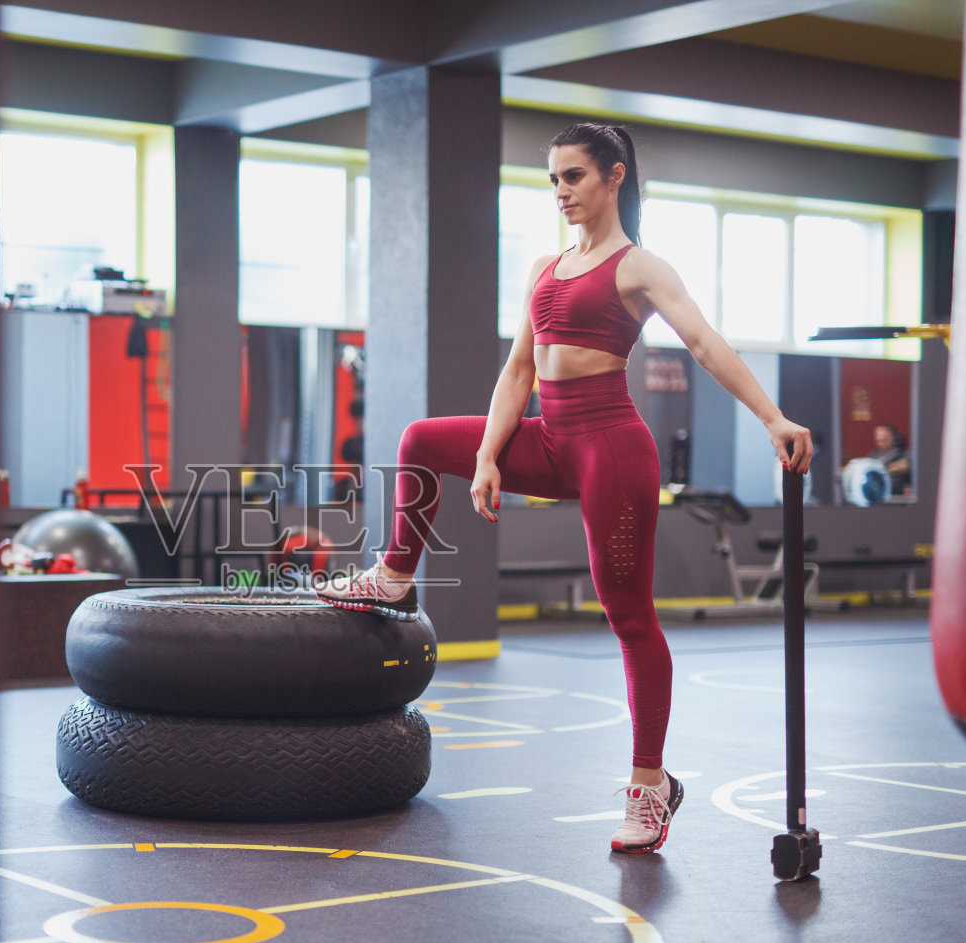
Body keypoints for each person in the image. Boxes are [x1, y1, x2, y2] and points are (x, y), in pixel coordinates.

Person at [313, 122, 814, 854]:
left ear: (614, 176)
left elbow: (705, 343)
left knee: (628, 614)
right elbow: (520, 370)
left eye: (573, 177)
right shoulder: (547, 267)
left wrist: (772, 418)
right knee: (422, 439)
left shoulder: (640, 267)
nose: (560, 193)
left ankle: (651, 786)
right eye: (552, 179)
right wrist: (488, 455)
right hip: (550, 439)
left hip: (611, 448)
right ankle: (394, 576)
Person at [867, 422, 911, 496]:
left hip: (896, 498)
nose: (880, 439)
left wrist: (880, 471)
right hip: (878, 497)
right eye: (878, 436)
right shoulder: (873, 456)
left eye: (884, 437)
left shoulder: (902, 454)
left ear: (893, 437)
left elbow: (904, 466)